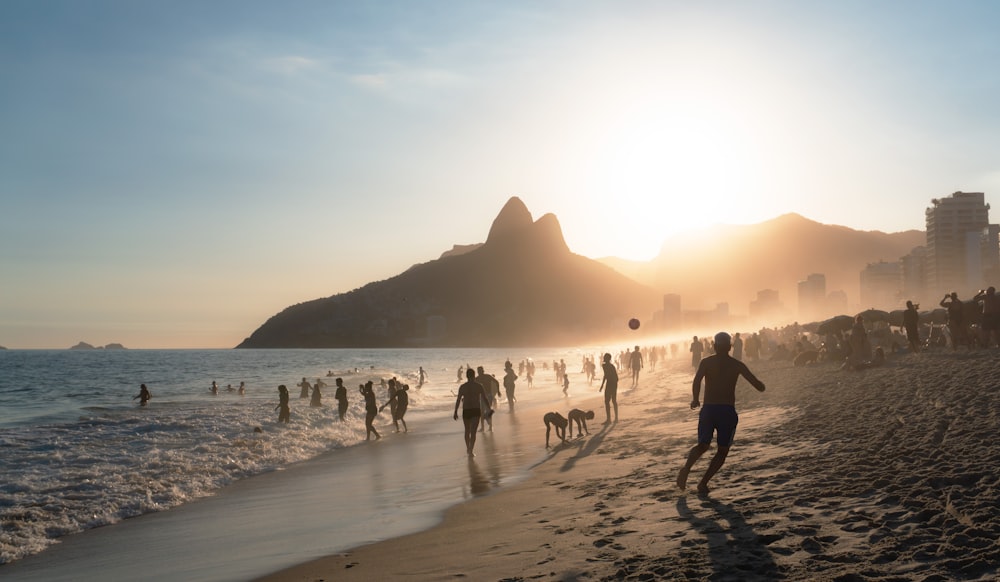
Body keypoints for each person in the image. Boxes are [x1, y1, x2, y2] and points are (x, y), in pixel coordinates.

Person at [677, 332, 765, 496]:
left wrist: (695, 399)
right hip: (727, 411)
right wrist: (761, 385)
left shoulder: (706, 362)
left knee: (703, 445)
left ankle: (686, 468)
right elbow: (757, 385)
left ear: (714, 346)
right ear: (730, 347)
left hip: (709, 409)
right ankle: (703, 483)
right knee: (722, 450)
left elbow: (697, 381)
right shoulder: (737, 365)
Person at [454, 368, 487, 456]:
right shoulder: (479, 386)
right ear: (474, 375)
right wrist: (489, 409)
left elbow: (458, 400)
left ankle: (468, 448)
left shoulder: (462, 387)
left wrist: (455, 411)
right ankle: (471, 450)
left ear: (466, 376)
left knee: (467, 431)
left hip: (466, 410)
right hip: (476, 409)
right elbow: (484, 398)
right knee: (473, 432)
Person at [598, 352, 618, 424]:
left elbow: (605, 375)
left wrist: (602, 385)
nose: (603, 358)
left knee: (608, 402)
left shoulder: (605, 366)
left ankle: (610, 419)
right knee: (613, 401)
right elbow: (607, 375)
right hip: (613, 383)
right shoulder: (611, 366)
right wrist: (602, 385)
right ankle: (615, 418)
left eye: (605, 357)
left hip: (610, 383)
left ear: (607, 359)